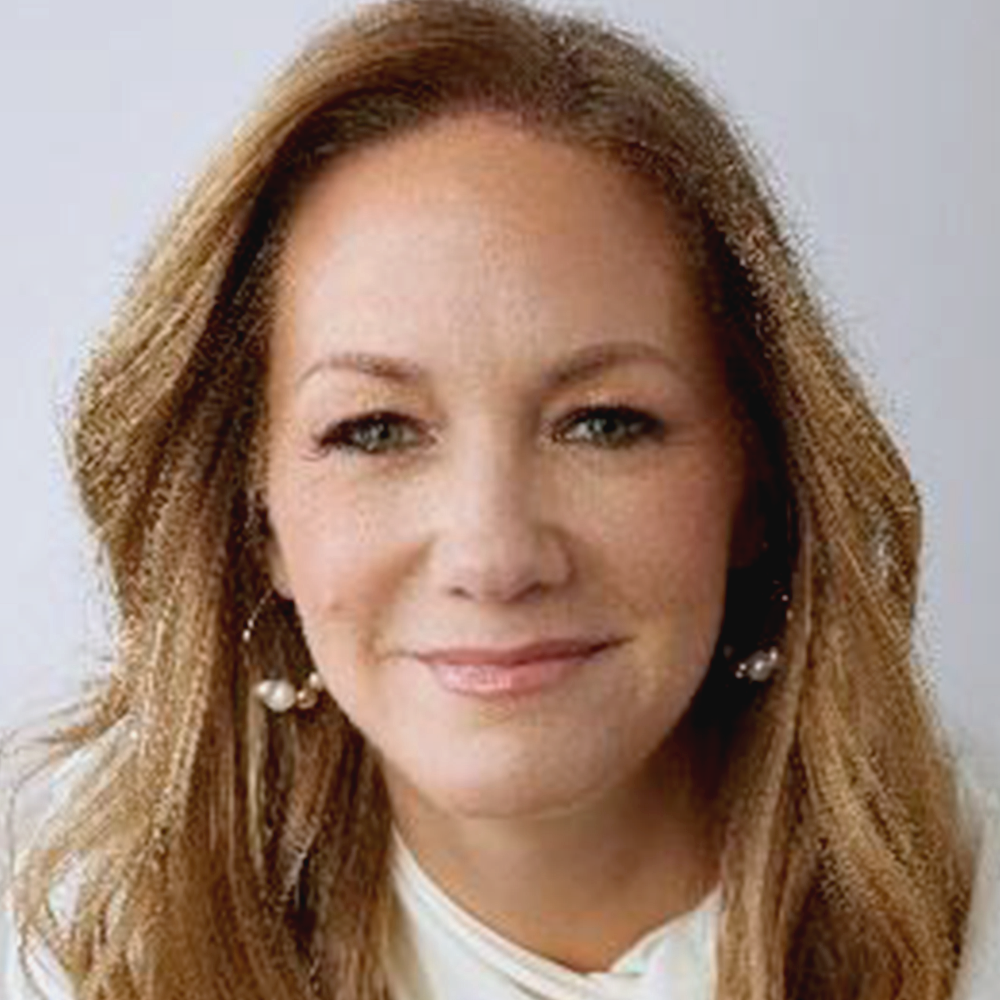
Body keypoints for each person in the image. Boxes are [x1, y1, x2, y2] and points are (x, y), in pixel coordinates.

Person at [3, 0, 997, 997]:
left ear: (760, 484)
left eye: (602, 422)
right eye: (375, 430)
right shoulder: (85, 963)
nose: (494, 557)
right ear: (257, 518)